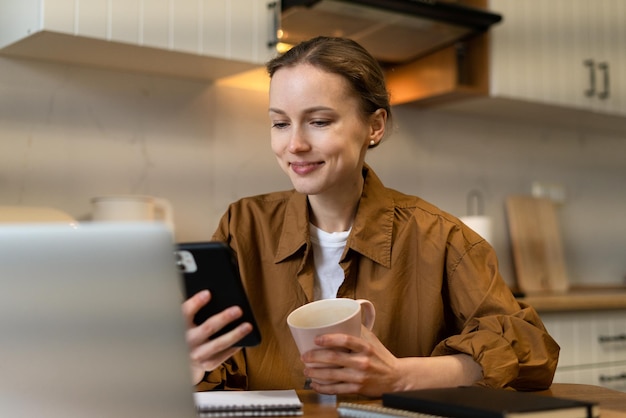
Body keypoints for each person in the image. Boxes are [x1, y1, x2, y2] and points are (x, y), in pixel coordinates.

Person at [182, 36, 559, 397]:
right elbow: (216, 368)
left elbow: (532, 351)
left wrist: (400, 377)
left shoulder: (441, 238)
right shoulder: (243, 225)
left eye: (319, 121)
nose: (294, 144)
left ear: (374, 127)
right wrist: (189, 360)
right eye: (280, 123)